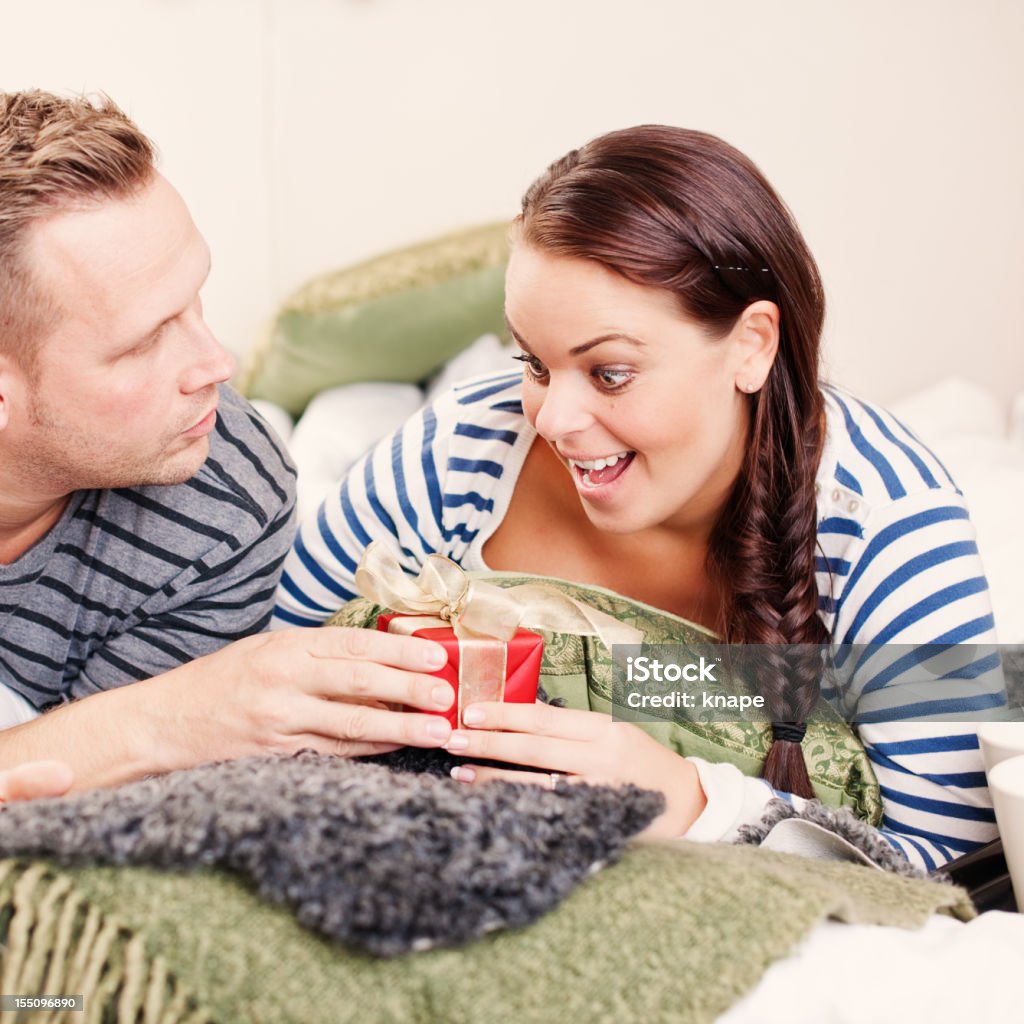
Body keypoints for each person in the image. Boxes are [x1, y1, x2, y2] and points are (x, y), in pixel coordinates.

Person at [274, 125, 1003, 869]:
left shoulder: (887, 522)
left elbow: (955, 867)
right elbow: (265, 674)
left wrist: (692, 801)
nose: (554, 420)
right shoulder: (461, 451)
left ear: (751, 345)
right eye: (533, 362)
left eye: (610, 373)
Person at [0, 90, 459, 790]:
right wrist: (163, 718)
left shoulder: (225, 499)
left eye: (195, 298)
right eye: (145, 341)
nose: (219, 363)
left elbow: (60, 803)